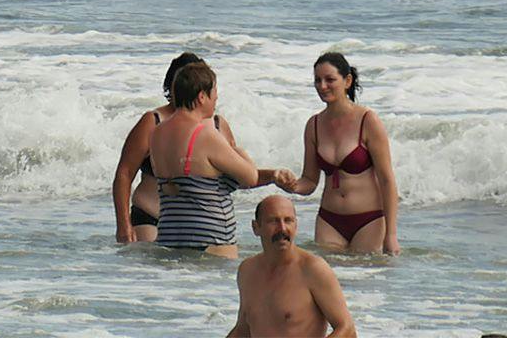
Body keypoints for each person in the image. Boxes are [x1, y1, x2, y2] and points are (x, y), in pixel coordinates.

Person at [275, 51, 400, 254]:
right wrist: (291, 185)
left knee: (365, 281)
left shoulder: (368, 121)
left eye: (330, 79)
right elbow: (309, 181)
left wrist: (391, 235)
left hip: (369, 220)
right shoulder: (313, 125)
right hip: (329, 220)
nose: (322, 86)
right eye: (317, 80)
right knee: (328, 280)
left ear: (347, 80)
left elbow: (387, 180)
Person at [149, 61, 280, 256]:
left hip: (170, 236)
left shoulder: (157, 134)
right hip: (211, 240)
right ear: (202, 96)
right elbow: (250, 177)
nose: (216, 98)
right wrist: (239, 151)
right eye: (214, 93)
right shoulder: (205, 135)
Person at [114, 50, 226, 243]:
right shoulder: (153, 122)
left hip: (201, 225)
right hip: (151, 218)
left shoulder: (217, 125)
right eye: (181, 82)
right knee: (156, 271)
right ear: (171, 87)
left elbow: (237, 175)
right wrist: (123, 224)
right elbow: (124, 173)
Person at [228, 196, 357, 338]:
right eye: (273, 221)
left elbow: (347, 329)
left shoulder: (313, 269)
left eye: (288, 220)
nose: (282, 228)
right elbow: (243, 330)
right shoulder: (248, 270)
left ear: (296, 225)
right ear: (256, 227)